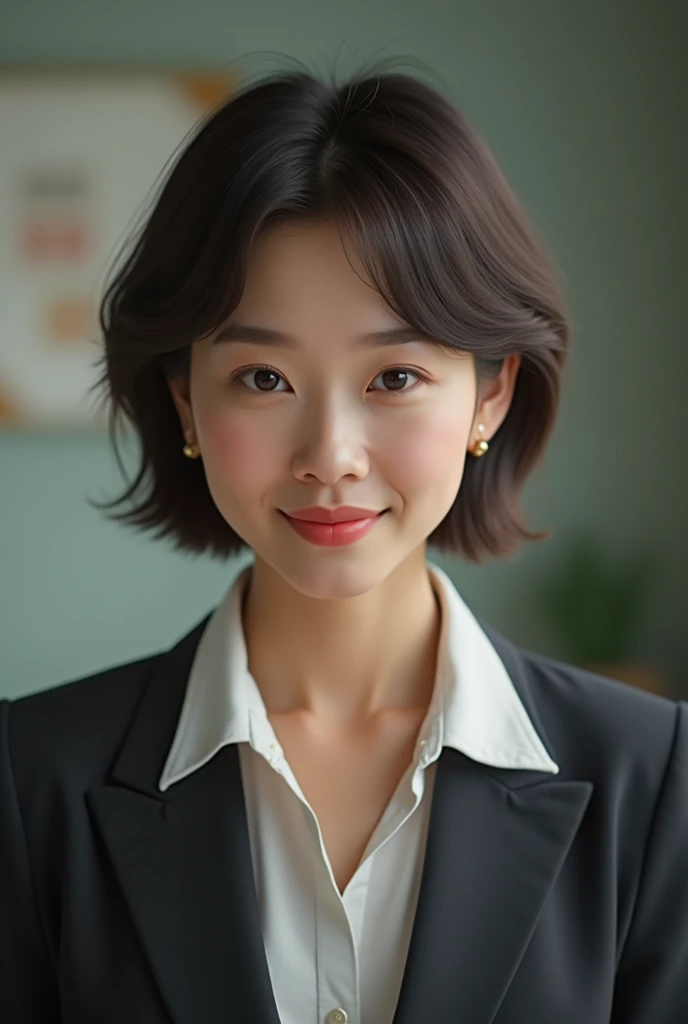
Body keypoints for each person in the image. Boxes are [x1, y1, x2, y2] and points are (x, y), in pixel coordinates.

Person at [1, 56, 686, 1024]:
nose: (330, 455)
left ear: (489, 393)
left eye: (394, 376)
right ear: (184, 399)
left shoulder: (652, 777)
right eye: (264, 379)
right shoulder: (29, 779)